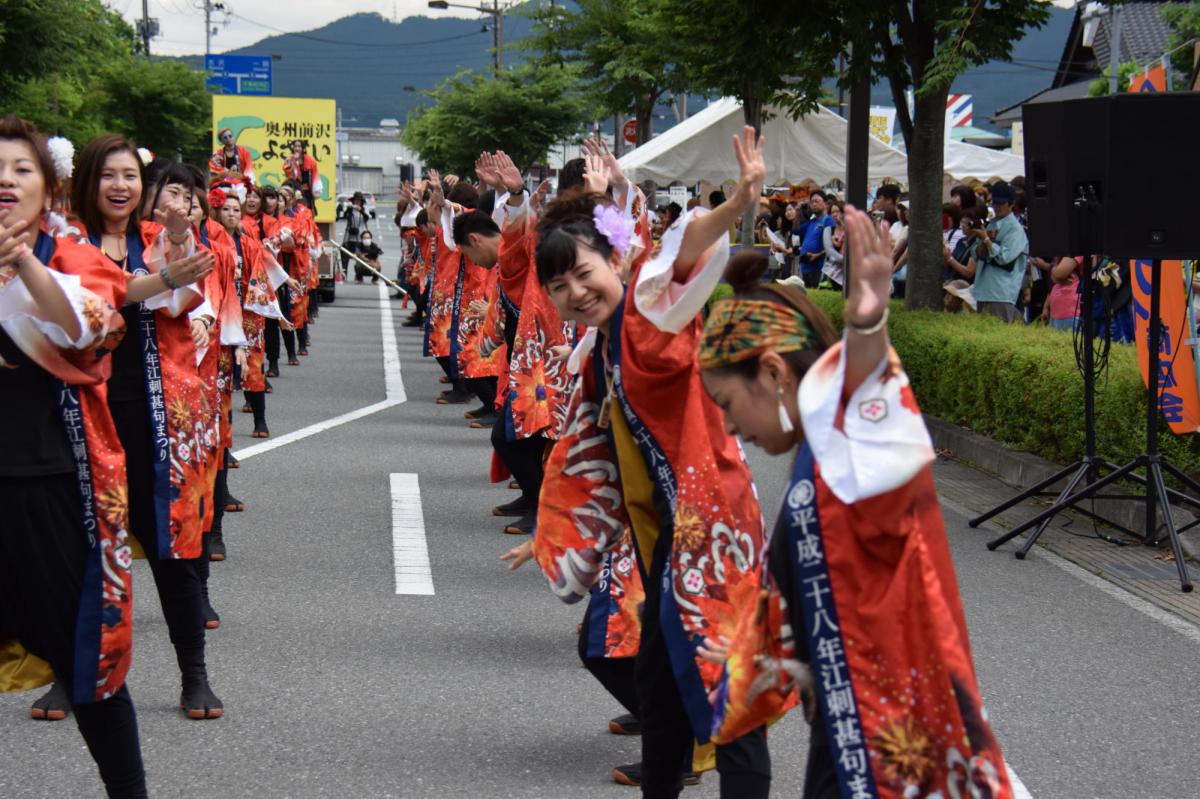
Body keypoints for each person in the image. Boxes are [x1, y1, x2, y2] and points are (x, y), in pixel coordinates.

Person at [697, 209, 1013, 799]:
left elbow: (876, 425)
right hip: (855, 727)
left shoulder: (849, 456)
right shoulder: (817, 455)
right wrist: (790, 667)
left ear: (771, 373)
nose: (727, 425)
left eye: (726, 401)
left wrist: (867, 332)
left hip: (893, 744)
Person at [522, 126, 773, 798]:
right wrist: (553, 532)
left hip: (715, 527)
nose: (575, 290)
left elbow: (686, 252)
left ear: (615, 262)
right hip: (669, 536)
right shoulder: (599, 350)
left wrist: (737, 201)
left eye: (583, 271)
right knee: (662, 692)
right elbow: (587, 456)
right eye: (558, 283)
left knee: (732, 705)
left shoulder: (647, 313)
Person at [0, 115, 150, 798]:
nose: (5, 180)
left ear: (50, 186)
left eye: (20, 169)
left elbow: (91, 326)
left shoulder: (71, 257)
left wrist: (21, 263)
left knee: (87, 657)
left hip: (49, 484)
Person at [66, 144, 225, 721]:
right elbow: (87, 301)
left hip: (158, 416)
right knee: (80, 549)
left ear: (145, 188)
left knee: (172, 551)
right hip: (84, 414)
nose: (119, 186)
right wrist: (160, 276)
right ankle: (71, 671)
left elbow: (188, 296)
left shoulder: (161, 237)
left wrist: (177, 248)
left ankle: (194, 674)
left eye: (129, 176)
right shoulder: (68, 244)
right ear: (87, 181)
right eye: (107, 175)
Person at [965, 181, 1028, 322]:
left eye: (1001, 203)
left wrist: (987, 240)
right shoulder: (990, 224)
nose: (996, 207)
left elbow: (1005, 258)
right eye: (994, 203)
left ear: (1011, 204)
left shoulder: (1015, 229)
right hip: (982, 290)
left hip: (1001, 292)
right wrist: (981, 240)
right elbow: (975, 253)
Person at [797, 190, 834, 289]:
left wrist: (817, 255)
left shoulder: (828, 220)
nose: (813, 204)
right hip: (805, 266)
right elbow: (795, 230)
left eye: (817, 201)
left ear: (826, 204)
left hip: (819, 266)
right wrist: (797, 212)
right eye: (812, 202)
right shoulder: (811, 222)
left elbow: (833, 245)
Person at [339, 191, 373, 276]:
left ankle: (359, 274)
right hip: (350, 237)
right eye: (355, 200)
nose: (357, 202)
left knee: (361, 256)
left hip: (361, 236)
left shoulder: (364, 210)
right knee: (344, 252)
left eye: (359, 201)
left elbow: (367, 218)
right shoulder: (350, 210)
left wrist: (361, 210)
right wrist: (349, 209)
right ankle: (344, 272)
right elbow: (344, 217)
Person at [282, 139, 322, 211]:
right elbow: (287, 171)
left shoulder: (310, 160)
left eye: (299, 146)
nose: (297, 148)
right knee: (294, 208)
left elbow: (314, 174)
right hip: (294, 189)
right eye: (295, 146)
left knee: (307, 209)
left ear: (303, 148)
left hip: (306, 190)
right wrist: (294, 161)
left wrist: (316, 189)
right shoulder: (289, 159)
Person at [821, 200, 846, 288]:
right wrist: (846, 260)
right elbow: (829, 251)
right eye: (832, 212)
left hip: (849, 273)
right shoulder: (828, 230)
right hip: (833, 273)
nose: (835, 214)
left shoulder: (850, 229)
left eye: (837, 211)